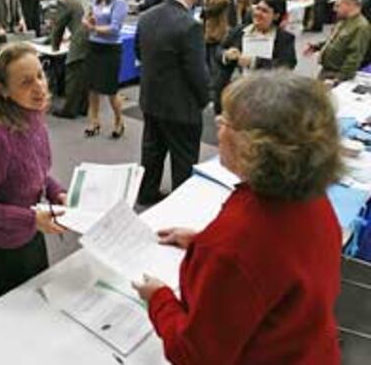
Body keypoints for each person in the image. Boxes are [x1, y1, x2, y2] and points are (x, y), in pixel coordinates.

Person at [132, 71, 342, 365]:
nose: (218, 125)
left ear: (254, 146)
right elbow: (278, 262)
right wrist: (202, 242)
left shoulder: (235, 242)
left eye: (225, 121)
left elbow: (195, 355)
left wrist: (159, 299)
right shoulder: (311, 197)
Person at [0, 42, 66, 304]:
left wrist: (57, 192)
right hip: (1, 245)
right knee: (10, 317)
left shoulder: (34, 118)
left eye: (40, 76)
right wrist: (31, 218)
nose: (40, 86)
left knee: (37, 302)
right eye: (26, 82)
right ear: (3, 90)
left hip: (30, 232)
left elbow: (35, 170)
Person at [135, 0, 209, 206]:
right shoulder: (190, 25)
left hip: (151, 99)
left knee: (152, 153)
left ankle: (146, 195)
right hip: (181, 107)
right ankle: (180, 206)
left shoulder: (146, 17)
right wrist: (203, 99)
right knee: (183, 160)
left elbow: (139, 53)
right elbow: (197, 71)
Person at [213, 0, 297, 114]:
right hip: (235, 95)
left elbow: (286, 66)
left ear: (276, 15)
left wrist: (254, 62)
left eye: (265, 11)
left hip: (266, 99)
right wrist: (226, 55)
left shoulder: (284, 39)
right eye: (257, 8)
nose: (258, 13)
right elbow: (218, 51)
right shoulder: (239, 31)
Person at [83, 0, 128, 138]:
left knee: (110, 91)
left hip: (110, 50)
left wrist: (94, 28)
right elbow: (88, 15)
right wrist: (87, 21)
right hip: (94, 46)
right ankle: (94, 121)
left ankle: (119, 120)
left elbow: (115, 29)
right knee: (92, 88)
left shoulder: (119, 2)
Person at [305, 0, 371, 81]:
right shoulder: (343, 20)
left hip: (336, 74)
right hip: (327, 71)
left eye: (338, 6)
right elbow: (335, 41)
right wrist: (317, 46)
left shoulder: (361, 27)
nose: (334, 9)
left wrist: (340, 78)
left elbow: (354, 56)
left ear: (349, 5)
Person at [50, 0, 90, 118]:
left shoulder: (65, 1)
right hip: (92, 38)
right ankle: (84, 107)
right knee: (84, 74)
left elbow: (58, 25)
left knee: (72, 72)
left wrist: (54, 45)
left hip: (79, 41)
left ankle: (70, 110)